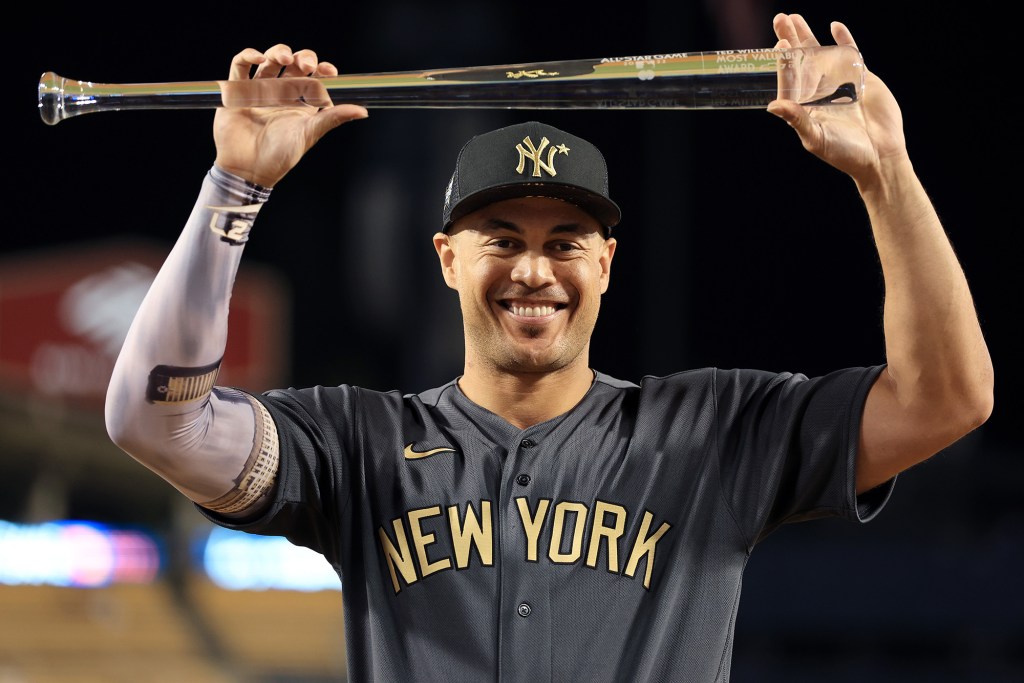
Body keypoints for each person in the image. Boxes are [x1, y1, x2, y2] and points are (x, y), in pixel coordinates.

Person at [104, 12, 993, 682]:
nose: (535, 268)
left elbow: (948, 398)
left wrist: (887, 175)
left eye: (566, 240)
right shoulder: (358, 444)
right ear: (448, 259)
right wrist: (236, 189)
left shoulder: (714, 430)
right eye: (502, 236)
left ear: (606, 264)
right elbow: (154, 420)